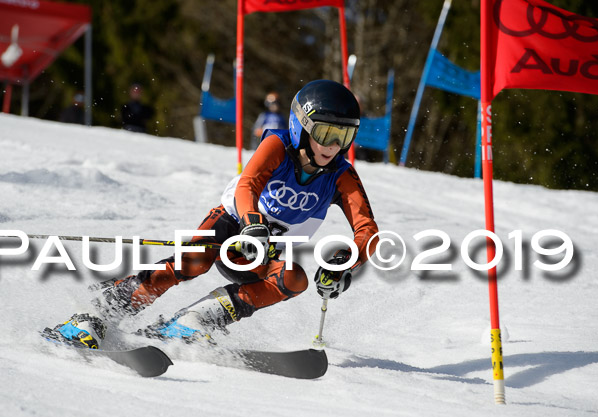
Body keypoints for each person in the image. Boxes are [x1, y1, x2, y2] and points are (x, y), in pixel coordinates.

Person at [44, 80, 378, 349]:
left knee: (293, 279)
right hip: (233, 224)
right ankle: (95, 315)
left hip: (267, 251)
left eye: (344, 136)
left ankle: (196, 320)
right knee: (192, 263)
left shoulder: (341, 176)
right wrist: (252, 226)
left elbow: (367, 230)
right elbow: (248, 185)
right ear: (300, 126)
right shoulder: (278, 146)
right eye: (325, 133)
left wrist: (346, 262)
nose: (333, 146)